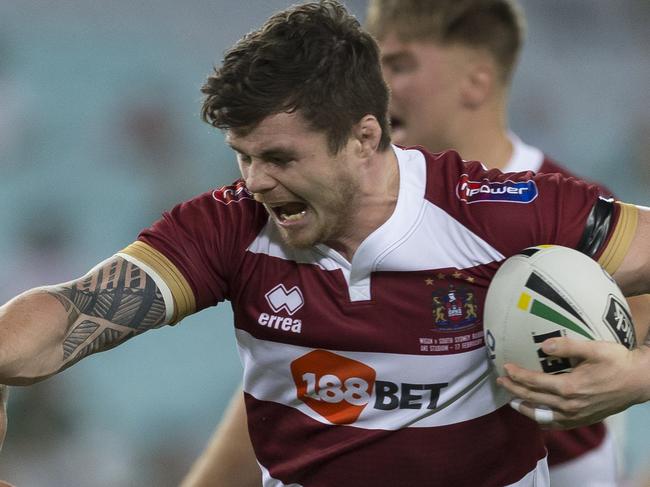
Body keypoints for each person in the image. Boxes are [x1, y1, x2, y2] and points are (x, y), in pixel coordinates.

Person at [1, 1, 649, 485]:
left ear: (364, 138)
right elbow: (73, 311)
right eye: (243, 156)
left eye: (279, 157)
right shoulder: (229, 225)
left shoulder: (497, 212)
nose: (256, 181)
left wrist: (639, 374)